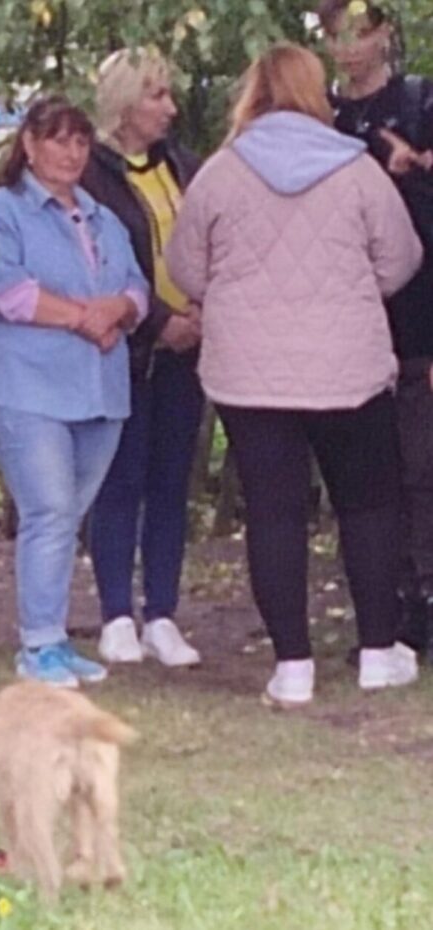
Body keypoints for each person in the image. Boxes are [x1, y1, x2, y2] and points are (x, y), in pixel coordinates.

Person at [165, 43, 423, 706]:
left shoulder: (220, 174)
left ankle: (292, 665)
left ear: (253, 91)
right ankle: (375, 651)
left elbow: (187, 269)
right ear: (317, 92)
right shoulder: (358, 171)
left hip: (250, 377)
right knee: (367, 507)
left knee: (273, 514)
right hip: (349, 369)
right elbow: (402, 257)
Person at [0, 95, 150, 689]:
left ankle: (55, 635)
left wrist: (118, 308)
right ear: (29, 144)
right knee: (46, 510)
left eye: (80, 141)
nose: (71, 152)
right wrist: (83, 317)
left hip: (99, 391)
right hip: (30, 389)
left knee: (68, 516)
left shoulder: (103, 217)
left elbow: (138, 291)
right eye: (57, 139)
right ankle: (38, 643)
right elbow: (5, 291)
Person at [81, 48, 203, 668]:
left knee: (170, 482)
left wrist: (198, 316)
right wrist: (158, 320)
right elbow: (100, 261)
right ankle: (116, 614)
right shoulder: (94, 173)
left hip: (187, 351)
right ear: (125, 102)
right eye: (157, 96)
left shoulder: (181, 166)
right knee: (120, 481)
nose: (169, 109)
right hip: (124, 350)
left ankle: (163, 612)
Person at [319, 0, 433, 658]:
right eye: (336, 34)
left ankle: (423, 597)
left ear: (386, 32)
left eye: (360, 31)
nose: (349, 46)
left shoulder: (419, 105)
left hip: (418, 324)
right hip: (343, 327)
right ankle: (377, 605)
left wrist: (412, 174)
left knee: (422, 470)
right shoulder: (321, 122)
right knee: (364, 476)